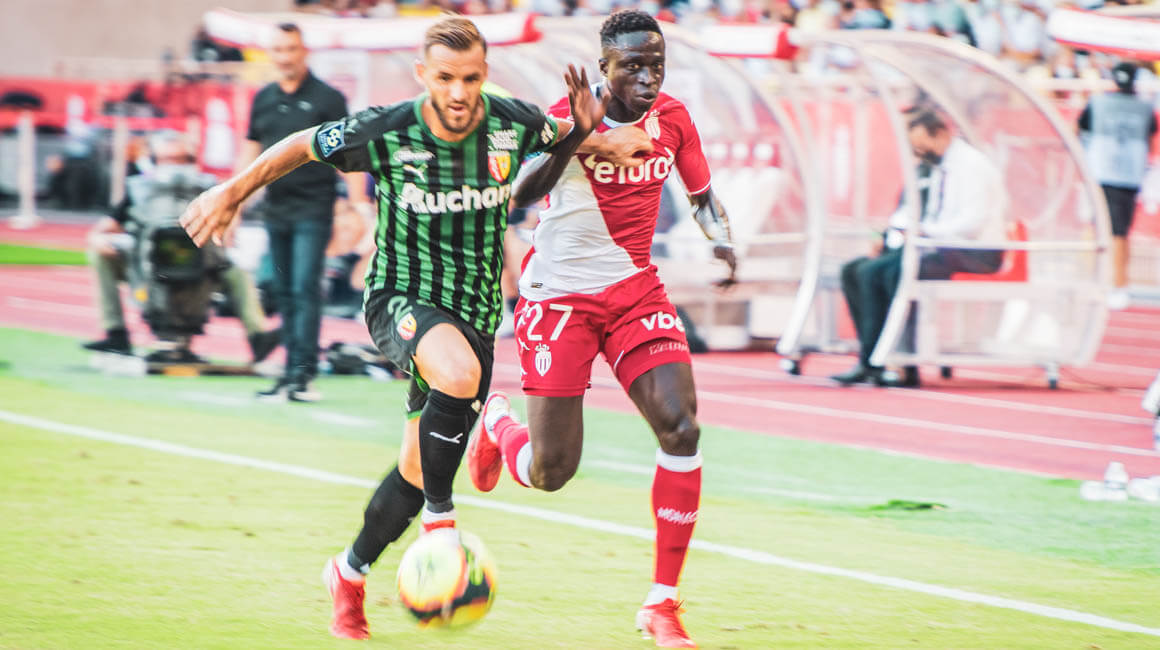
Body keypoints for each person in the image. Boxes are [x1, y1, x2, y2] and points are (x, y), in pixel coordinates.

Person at [179, 16, 649, 641]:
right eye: (446, 78)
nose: (459, 92)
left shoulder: (510, 122)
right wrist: (232, 192)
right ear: (423, 75)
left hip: (475, 313)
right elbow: (301, 145)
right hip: (401, 298)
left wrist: (604, 142)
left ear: (485, 75)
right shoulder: (387, 129)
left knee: (415, 470)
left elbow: (563, 136)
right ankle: (440, 525)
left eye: (471, 79)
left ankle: (348, 573)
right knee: (456, 376)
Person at [463, 11, 737, 648]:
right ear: (604, 66)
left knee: (681, 427)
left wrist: (721, 238)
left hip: (636, 293)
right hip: (560, 300)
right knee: (551, 471)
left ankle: (661, 602)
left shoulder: (673, 118)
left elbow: (701, 194)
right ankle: (499, 425)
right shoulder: (565, 114)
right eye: (632, 66)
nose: (647, 77)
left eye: (656, 65)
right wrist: (577, 135)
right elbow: (520, 193)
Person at [830, 104, 1006, 388]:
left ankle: (891, 361)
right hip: (939, 246)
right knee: (855, 270)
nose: (920, 152)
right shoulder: (936, 166)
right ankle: (875, 356)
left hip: (974, 252)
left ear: (941, 134)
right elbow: (915, 210)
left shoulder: (972, 166)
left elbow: (972, 221)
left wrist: (925, 232)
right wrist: (890, 235)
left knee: (885, 272)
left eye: (922, 144)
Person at [240, 22, 365, 401]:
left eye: (291, 49)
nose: (285, 57)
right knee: (282, 290)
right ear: (271, 54)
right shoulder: (263, 99)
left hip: (315, 208)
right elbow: (251, 153)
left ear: (304, 51)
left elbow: (348, 154)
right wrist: (232, 203)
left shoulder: (328, 99)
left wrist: (357, 206)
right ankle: (289, 371)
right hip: (275, 209)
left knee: (304, 288)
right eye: (278, 50)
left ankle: (302, 374)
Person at [82, 131, 279, 364]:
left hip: (203, 263)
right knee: (99, 255)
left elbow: (226, 230)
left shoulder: (211, 190)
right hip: (147, 261)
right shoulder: (139, 190)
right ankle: (116, 333)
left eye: (181, 159)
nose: (175, 166)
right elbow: (106, 227)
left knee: (237, 271)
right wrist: (98, 239)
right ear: (154, 160)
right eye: (168, 159)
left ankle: (257, 337)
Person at [1078, 61, 1157, 308]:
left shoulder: (1099, 103)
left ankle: (1105, 283)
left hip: (1103, 174)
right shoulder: (1143, 108)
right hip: (1125, 176)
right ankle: (1114, 284)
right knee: (1117, 233)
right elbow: (1150, 137)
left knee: (1100, 230)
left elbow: (1080, 129)